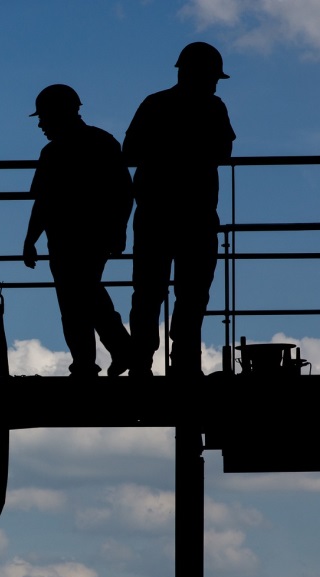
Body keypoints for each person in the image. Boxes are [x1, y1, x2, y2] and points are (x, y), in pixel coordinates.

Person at [124, 41, 236, 377]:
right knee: (192, 293)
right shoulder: (213, 108)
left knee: (148, 292)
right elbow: (223, 152)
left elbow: (129, 152)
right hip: (196, 216)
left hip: (156, 214)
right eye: (212, 77)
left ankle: (141, 364)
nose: (215, 83)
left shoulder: (155, 104)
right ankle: (184, 363)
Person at [23, 84, 133, 377]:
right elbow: (124, 192)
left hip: (67, 239)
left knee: (76, 300)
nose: (41, 124)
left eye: (44, 117)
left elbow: (43, 203)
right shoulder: (101, 142)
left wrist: (30, 240)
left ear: (58, 114)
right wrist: (119, 231)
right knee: (86, 294)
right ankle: (113, 353)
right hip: (89, 236)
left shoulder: (54, 152)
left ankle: (93, 360)